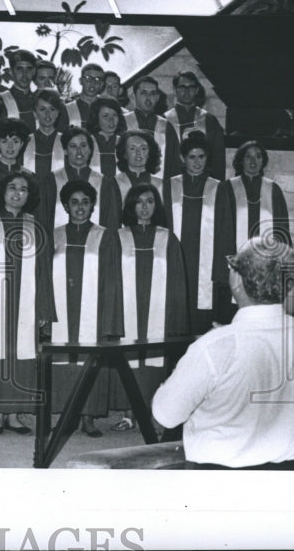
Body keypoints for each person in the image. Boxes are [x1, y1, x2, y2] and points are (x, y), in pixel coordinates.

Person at [152, 237, 294, 469]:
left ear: (236, 280)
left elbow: (164, 417)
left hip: (222, 482)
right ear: (289, 284)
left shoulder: (213, 347)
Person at [0, 169, 53, 435]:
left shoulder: (35, 226)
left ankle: (14, 415)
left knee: (21, 355)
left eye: (23, 189)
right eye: (12, 188)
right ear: (2, 192)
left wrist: (43, 307)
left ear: (29, 196)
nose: (17, 193)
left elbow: (43, 271)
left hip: (24, 302)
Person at [110, 183, 190, 430]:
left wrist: (176, 318)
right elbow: (110, 278)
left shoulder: (168, 238)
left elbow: (178, 282)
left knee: (155, 361)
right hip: (127, 308)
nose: (145, 207)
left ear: (157, 206)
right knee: (128, 358)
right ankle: (127, 414)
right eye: (139, 202)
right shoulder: (118, 237)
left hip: (159, 309)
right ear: (131, 206)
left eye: (150, 201)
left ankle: (155, 413)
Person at [49, 179, 123, 437]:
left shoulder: (104, 236)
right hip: (62, 307)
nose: (80, 207)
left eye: (85, 202)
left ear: (92, 206)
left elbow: (112, 280)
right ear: (66, 206)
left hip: (93, 308)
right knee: (62, 360)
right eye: (74, 202)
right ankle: (63, 415)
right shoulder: (54, 235)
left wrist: (109, 316)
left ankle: (88, 417)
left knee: (90, 361)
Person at [213, 140, 292, 324]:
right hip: (235, 265)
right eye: (248, 156)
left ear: (263, 161)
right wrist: (226, 269)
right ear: (240, 161)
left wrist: (284, 265)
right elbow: (221, 230)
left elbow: (282, 230)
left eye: (258, 156)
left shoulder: (273, 190)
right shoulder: (227, 188)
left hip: (266, 266)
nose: (253, 161)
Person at [163, 132, 222, 333]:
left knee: (202, 315)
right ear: (182, 158)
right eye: (192, 157)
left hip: (206, 261)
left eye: (201, 157)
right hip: (175, 256)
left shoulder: (218, 188)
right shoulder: (169, 185)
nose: (197, 162)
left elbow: (225, 231)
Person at [37, 126, 121, 233]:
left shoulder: (105, 183)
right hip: (58, 246)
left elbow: (112, 224)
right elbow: (42, 222)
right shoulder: (50, 181)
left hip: (96, 247)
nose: (79, 151)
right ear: (65, 151)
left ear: (90, 150)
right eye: (73, 146)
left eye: (83, 145)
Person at [164, 70, 225, 180]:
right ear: (174, 90)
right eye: (182, 87)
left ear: (196, 90)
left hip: (203, 183)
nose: (187, 92)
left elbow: (218, 159)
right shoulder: (164, 121)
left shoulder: (209, 121)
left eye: (191, 87)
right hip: (172, 182)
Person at [130, 76, 181, 179]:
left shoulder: (166, 127)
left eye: (153, 94)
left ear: (157, 97)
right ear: (134, 96)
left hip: (159, 185)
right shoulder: (123, 122)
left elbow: (174, 165)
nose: (148, 98)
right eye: (143, 93)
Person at [114, 129, 166, 216]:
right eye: (132, 148)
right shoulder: (113, 183)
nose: (138, 153)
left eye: (143, 148)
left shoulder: (161, 185)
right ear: (124, 154)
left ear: (149, 153)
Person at [86, 96, 136, 176]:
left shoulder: (125, 143)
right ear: (96, 118)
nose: (111, 120)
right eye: (105, 116)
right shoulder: (87, 142)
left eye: (114, 115)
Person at [22, 89, 65, 178]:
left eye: (52, 109)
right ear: (34, 113)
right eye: (42, 109)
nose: (47, 114)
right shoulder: (25, 142)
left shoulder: (66, 141)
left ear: (58, 113)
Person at [60, 63, 106, 129]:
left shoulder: (108, 108)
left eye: (97, 79)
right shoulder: (67, 108)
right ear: (81, 81)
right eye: (88, 78)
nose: (92, 82)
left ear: (102, 84)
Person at [0, 49, 37, 129]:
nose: (24, 74)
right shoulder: (1, 100)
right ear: (11, 71)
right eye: (20, 69)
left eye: (29, 69)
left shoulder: (38, 100)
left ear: (34, 71)